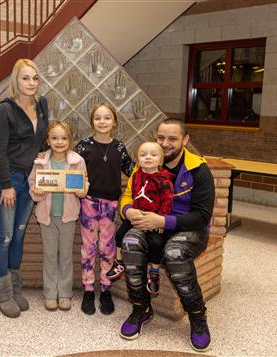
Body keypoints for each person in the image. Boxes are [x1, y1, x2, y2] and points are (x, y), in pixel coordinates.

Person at [119, 119, 215, 353]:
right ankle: (141, 308)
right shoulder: (144, 165)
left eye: (172, 138)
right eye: (161, 137)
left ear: (185, 140)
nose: (165, 143)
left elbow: (202, 216)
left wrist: (162, 221)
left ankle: (197, 315)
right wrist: (128, 211)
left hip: (188, 229)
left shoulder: (198, 169)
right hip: (149, 226)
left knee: (174, 253)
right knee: (130, 242)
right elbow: (128, 196)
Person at [0, 59, 48, 318]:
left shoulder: (42, 104)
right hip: (9, 180)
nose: (31, 83)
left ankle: (15, 288)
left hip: (31, 179)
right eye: (26, 78)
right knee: (5, 236)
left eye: (35, 78)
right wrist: (5, 185)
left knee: (20, 233)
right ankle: (2, 293)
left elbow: (41, 143)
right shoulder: (6, 109)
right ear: (16, 80)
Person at [75, 103, 134, 315]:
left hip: (111, 206)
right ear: (92, 122)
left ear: (114, 122)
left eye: (107, 118)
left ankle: (106, 290)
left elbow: (133, 171)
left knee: (108, 249)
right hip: (88, 203)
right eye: (98, 118)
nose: (102, 122)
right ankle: (89, 290)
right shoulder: (83, 146)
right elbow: (70, 168)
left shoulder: (119, 147)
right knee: (88, 249)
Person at [28, 121, 87, 312]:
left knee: (66, 257)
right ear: (48, 140)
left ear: (70, 140)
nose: (59, 142)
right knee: (50, 256)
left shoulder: (77, 161)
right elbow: (33, 186)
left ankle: (64, 294)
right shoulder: (41, 161)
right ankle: (50, 294)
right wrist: (37, 191)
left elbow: (84, 185)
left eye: (63, 138)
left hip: (68, 217)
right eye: (54, 138)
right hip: (47, 217)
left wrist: (81, 190)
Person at [113, 142, 174, 296]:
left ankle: (154, 273)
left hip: (154, 219)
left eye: (153, 155)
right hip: (136, 216)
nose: (148, 157)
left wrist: (161, 220)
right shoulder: (136, 176)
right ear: (138, 160)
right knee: (119, 235)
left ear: (160, 160)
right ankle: (119, 262)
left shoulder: (164, 180)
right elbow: (131, 196)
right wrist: (131, 212)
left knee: (156, 243)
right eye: (143, 155)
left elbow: (167, 202)